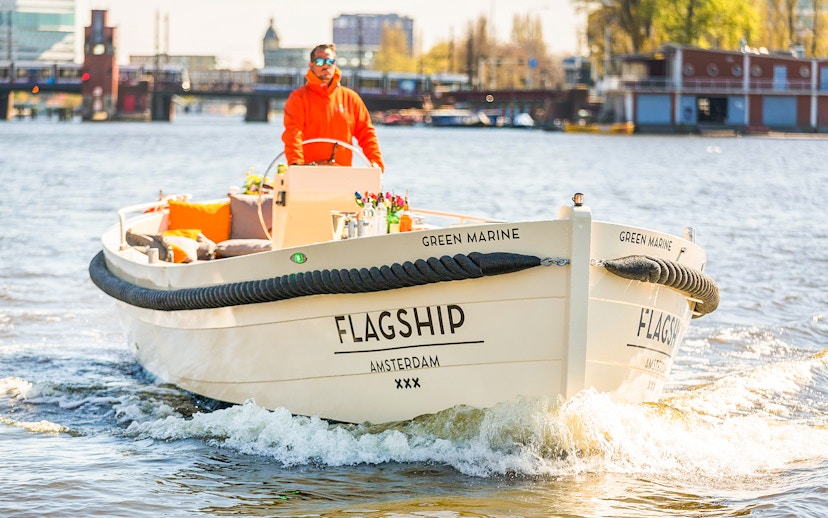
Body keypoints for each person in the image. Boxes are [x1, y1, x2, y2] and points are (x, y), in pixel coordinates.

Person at [282, 43, 385, 171]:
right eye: (320, 61)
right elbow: (293, 133)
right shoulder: (298, 98)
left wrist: (376, 163)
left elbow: (367, 134)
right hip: (309, 172)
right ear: (311, 65)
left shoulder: (351, 98)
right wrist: (296, 164)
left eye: (330, 61)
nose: (326, 65)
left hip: (342, 173)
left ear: (335, 64)